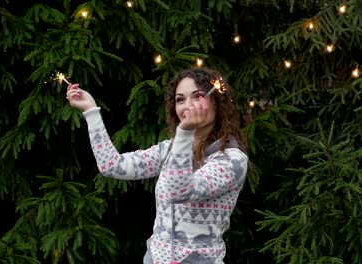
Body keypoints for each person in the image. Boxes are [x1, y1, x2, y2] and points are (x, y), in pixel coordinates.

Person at [66, 67, 249, 264]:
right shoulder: (169, 149)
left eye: (198, 96)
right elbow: (113, 166)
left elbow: (180, 190)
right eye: (180, 99)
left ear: (217, 102)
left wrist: (184, 134)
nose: (187, 105)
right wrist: (91, 111)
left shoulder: (232, 159)